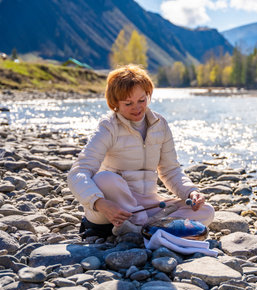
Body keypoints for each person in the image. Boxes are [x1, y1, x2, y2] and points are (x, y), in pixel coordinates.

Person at [68, 64, 215, 239]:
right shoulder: (108, 127)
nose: (137, 108)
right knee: (104, 178)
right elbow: (78, 172)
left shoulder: (160, 124)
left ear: (148, 95)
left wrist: (191, 192)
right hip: (110, 209)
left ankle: (143, 230)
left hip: (148, 206)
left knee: (205, 210)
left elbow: (170, 170)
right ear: (114, 103)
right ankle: (154, 231)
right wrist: (100, 203)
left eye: (142, 100)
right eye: (128, 103)